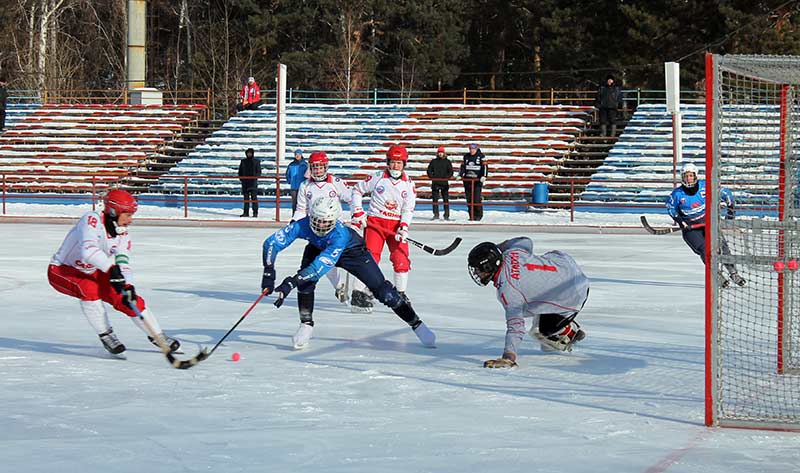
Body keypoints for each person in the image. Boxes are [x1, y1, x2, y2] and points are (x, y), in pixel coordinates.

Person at [261, 197, 436, 350]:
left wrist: (291, 282)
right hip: (319, 247)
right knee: (305, 284)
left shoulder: (340, 234)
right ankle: (306, 324)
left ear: (334, 220)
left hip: (351, 252)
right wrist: (269, 272)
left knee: (384, 292)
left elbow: (316, 269)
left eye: (325, 222)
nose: (320, 225)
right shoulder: (303, 225)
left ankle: (416, 324)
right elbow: (271, 243)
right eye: (317, 220)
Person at [47, 189, 181, 356]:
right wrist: (112, 270)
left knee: (129, 298)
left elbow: (123, 261)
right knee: (89, 290)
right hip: (63, 270)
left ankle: (157, 336)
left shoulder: (122, 232)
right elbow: (87, 251)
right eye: (127, 214)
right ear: (113, 211)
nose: (130, 220)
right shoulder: (91, 220)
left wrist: (128, 284)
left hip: (95, 270)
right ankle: (106, 335)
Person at [467, 237, 589, 368]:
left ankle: (568, 331)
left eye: (478, 269)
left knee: (541, 335)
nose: (476, 273)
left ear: (489, 266)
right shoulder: (512, 252)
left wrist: (509, 357)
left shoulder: (509, 291)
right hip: (565, 263)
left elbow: (516, 326)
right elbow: (526, 241)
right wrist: (495, 250)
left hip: (576, 293)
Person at [350, 145, 416, 313]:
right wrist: (358, 212)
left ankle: (400, 293)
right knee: (369, 257)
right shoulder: (378, 177)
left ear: (404, 164)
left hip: (395, 225)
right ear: (388, 162)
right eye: (393, 162)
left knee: (401, 257)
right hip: (375, 223)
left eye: (399, 163)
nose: (396, 166)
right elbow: (357, 190)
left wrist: (404, 227)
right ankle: (358, 293)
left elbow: (408, 209)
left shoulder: (408, 185)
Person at [666, 163, 746, 288]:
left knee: (723, 248)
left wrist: (731, 212)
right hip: (691, 230)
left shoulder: (706, 187)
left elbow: (726, 194)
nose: (689, 179)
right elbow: (671, 208)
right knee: (705, 250)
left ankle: (733, 273)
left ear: (695, 176)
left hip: (709, 224)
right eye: (686, 176)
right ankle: (717, 275)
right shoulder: (677, 194)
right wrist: (680, 221)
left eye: (691, 176)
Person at [291, 151, 351, 303]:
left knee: (351, 259)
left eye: (320, 167)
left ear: (326, 167)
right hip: (316, 229)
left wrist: (357, 215)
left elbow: (352, 198)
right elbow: (301, 209)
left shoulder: (336, 182)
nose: (317, 171)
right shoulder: (305, 186)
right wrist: (294, 222)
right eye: (314, 168)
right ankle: (339, 287)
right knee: (325, 260)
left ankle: (361, 290)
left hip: (337, 229)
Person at [459, 143, 488, 221]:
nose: (472, 150)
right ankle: (471, 215)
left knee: (476, 198)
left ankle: (478, 215)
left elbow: (485, 167)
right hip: (467, 180)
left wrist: (484, 176)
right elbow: (463, 167)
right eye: (470, 149)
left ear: (476, 149)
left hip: (477, 181)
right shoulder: (466, 156)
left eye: (473, 149)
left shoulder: (481, 156)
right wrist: (460, 175)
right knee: (469, 199)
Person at [426, 145, 453, 220]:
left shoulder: (447, 161)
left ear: (444, 153)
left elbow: (450, 171)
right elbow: (429, 170)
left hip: (444, 183)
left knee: (446, 200)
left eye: (442, 152)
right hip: (435, 183)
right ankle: (436, 214)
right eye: (439, 152)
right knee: (435, 200)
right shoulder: (433, 161)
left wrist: (446, 178)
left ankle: (446, 215)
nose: (440, 154)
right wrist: (432, 177)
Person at [238, 147, 261, 217]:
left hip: (253, 182)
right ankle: (246, 212)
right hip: (245, 183)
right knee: (246, 199)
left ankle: (255, 212)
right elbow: (240, 171)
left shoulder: (256, 161)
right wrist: (242, 179)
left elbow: (259, 172)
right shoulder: (243, 161)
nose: (249, 154)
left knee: (254, 198)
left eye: (250, 153)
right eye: (248, 153)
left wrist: (254, 178)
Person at [286, 149, 308, 214]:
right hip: (293, 187)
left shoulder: (305, 165)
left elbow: (307, 174)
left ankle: (302, 216)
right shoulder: (291, 165)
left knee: (302, 203)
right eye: (296, 155)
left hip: (302, 187)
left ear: (301, 155)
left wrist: (305, 183)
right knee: (294, 203)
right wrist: (290, 181)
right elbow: (287, 174)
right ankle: (294, 216)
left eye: (298, 155)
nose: (297, 156)